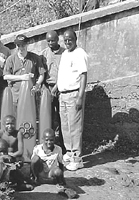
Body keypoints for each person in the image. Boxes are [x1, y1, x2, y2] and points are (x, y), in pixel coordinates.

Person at [56, 29, 88, 171]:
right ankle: (69, 152)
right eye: (66, 40)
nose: (68, 42)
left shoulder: (80, 53)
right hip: (63, 95)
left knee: (75, 127)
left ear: (75, 39)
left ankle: (77, 157)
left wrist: (80, 97)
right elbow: (63, 74)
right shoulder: (64, 54)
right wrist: (56, 87)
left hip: (74, 94)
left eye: (70, 39)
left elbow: (83, 76)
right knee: (65, 126)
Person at [3, 34, 45, 115]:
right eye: (18, 45)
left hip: (30, 96)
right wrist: (22, 77)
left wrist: (37, 85)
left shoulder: (35, 58)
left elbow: (41, 74)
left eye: (23, 45)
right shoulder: (11, 59)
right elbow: (6, 76)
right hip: (15, 96)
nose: (21, 48)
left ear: (27, 44)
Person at [41, 30, 66, 153]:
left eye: (53, 40)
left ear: (57, 40)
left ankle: (63, 145)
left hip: (60, 88)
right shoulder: (44, 54)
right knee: (48, 118)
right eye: (48, 41)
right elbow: (41, 72)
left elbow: (66, 73)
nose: (50, 43)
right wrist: (45, 88)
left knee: (61, 117)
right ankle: (49, 144)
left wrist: (56, 87)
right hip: (47, 88)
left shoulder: (64, 54)